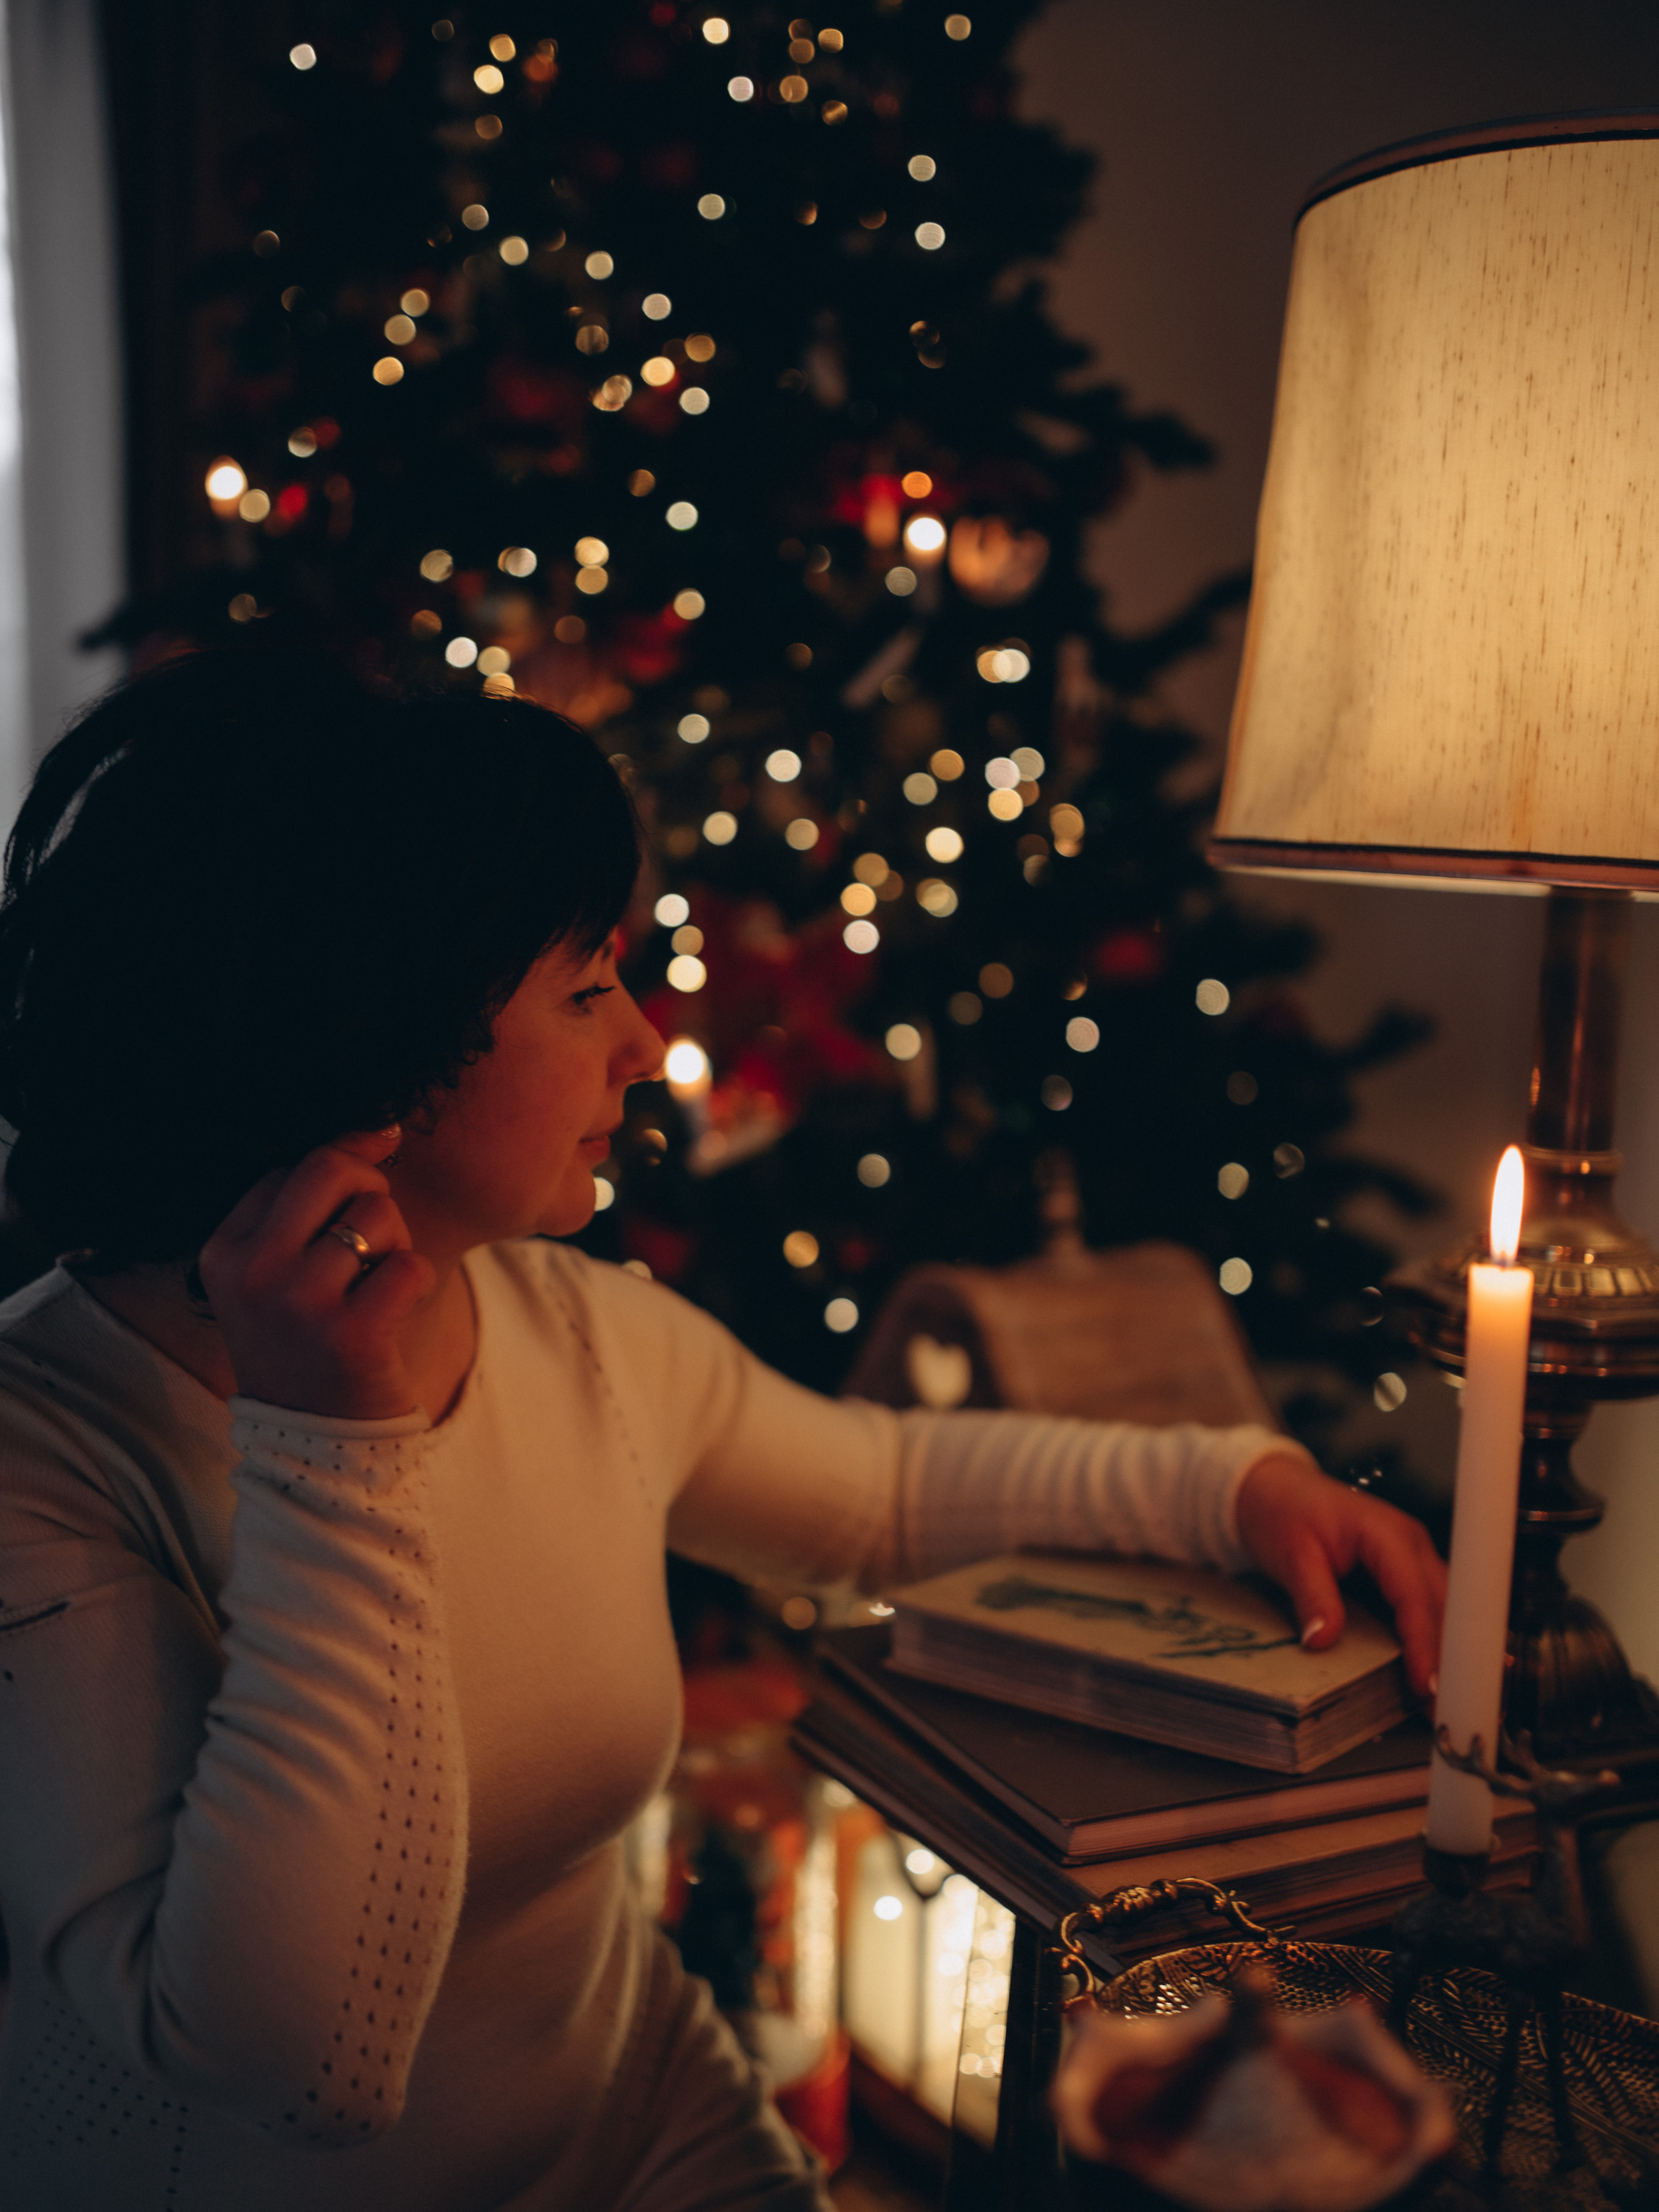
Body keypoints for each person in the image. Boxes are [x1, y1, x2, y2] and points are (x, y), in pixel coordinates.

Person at [0, 652, 1444, 2211]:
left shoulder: (563, 1325)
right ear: (367, 1055)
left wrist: (1235, 1486)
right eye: (584, 989)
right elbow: (301, 2066)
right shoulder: (45, 1458)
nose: (639, 1043)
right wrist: (332, 1451)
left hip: (643, 2122)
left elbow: (880, 1493)